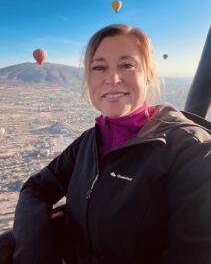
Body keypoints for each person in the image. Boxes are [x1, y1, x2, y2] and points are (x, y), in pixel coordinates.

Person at [12, 24, 211, 264]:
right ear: (89, 77)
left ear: (148, 74)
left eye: (127, 65)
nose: (112, 79)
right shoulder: (88, 142)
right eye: (99, 67)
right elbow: (35, 189)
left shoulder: (193, 152)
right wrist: (37, 253)